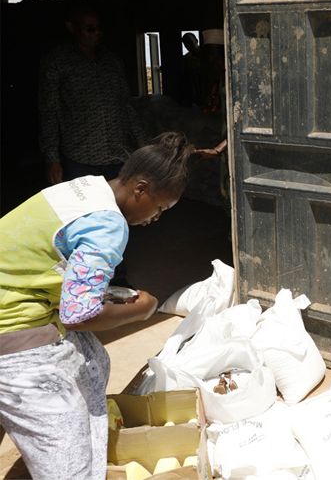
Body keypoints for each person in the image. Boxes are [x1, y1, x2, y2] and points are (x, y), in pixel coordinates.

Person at [0, 132, 194, 480]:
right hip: (10, 324)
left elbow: (61, 260)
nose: (156, 218)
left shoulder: (87, 187)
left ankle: (89, 450)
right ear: (140, 189)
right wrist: (143, 309)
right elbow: (78, 316)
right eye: (160, 208)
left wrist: (104, 293)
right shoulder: (108, 225)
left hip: (20, 296)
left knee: (93, 361)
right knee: (66, 453)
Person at [39, 2, 146, 184]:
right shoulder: (58, 63)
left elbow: (127, 107)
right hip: (80, 159)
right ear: (71, 27)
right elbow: (49, 111)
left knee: (119, 209)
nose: (97, 33)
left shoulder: (112, 62)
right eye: (90, 29)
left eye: (99, 29)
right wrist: (52, 159)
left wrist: (143, 146)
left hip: (118, 157)